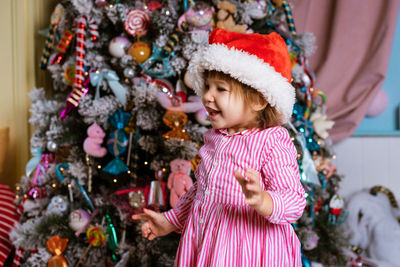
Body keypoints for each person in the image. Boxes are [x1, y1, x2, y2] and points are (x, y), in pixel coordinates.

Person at [132, 28, 306, 267]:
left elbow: (294, 199)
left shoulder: (272, 140)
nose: (207, 97)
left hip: (248, 248)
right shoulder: (214, 137)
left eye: (220, 89)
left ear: (258, 99)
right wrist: (171, 220)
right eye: (207, 87)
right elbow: (200, 192)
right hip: (207, 241)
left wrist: (264, 201)